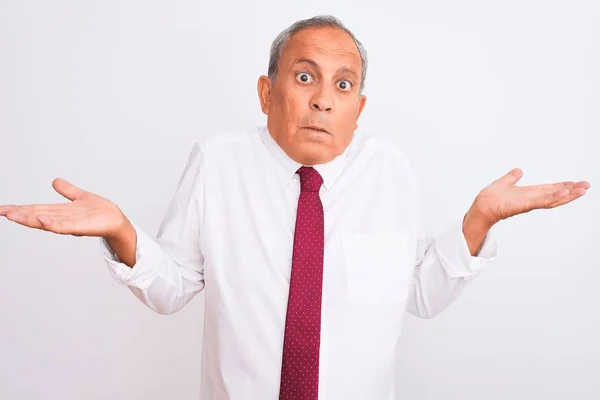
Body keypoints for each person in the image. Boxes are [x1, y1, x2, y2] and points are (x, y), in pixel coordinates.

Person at [0, 15, 590, 400]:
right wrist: (123, 232)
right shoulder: (218, 160)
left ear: (360, 106)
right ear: (266, 91)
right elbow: (172, 288)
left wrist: (478, 220)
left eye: (342, 85)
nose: (322, 101)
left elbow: (418, 295)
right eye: (305, 76)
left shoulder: (388, 169)